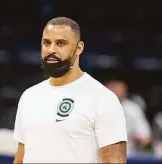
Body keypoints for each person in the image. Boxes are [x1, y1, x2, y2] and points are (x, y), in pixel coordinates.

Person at [13, 17, 127, 163]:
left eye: (61, 43)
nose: (51, 49)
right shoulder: (29, 96)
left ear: (79, 48)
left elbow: (114, 161)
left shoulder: (103, 98)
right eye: (47, 43)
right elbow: (20, 159)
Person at [105, 80, 151, 155]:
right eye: (113, 88)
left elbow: (145, 137)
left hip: (128, 155)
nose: (116, 91)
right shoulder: (97, 107)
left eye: (120, 89)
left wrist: (140, 138)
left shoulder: (133, 108)